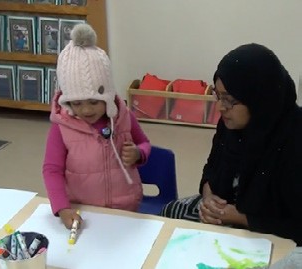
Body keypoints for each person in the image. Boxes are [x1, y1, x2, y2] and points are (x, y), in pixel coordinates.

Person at [161, 43, 302, 246]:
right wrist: (209, 198)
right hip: (225, 212)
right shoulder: (232, 123)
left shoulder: (294, 139)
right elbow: (211, 168)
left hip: (266, 229)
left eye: (229, 100)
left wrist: (239, 217)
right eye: (218, 96)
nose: (220, 107)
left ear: (258, 99)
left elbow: (297, 225)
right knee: (168, 216)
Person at [43, 23, 151, 229]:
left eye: (93, 102)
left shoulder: (124, 116)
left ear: (108, 96)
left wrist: (139, 154)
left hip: (127, 209)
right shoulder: (61, 127)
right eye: (77, 103)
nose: (85, 110)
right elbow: (51, 170)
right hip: (85, 212)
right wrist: (62, 208)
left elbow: (144, 143)